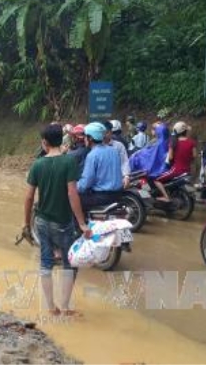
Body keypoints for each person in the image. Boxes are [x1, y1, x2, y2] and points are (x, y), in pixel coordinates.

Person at [23, 124, 90, 316]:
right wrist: (82, 223)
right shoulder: (68, 162)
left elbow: (28, 198)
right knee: (70, 264)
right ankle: (66, 306)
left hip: (42, 221)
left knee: (46, 262)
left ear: (44, 142)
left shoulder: (38, 164)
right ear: (61, 140)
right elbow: (72, 193)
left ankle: (51, 307)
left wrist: (26, 224)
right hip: (63, 222)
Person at [77, 122, 123, 211]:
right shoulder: (114, 151)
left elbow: (86, 182)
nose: (84, 139)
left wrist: (75, 187)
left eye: (85, 137)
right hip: (118, 194)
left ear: (90, 138)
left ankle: (79, 224)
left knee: (74, 199)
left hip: (101, 196)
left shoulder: (93, 155)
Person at [153, 121, 197, 202]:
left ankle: (166, 197)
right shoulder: (192, 142)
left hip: (176, 170)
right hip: (187, 170)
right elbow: (194, 156)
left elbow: (170, 157)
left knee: (156, 180)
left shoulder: (173, 142)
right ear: (186, 131)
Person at [101, 121, 130, 187]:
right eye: (103, 133)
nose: (105, 135)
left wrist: (126, 176)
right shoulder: (97, 146)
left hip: (116, 180)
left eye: (107, 132)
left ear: (111, 132)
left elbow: (124, 161)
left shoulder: (118, 146)